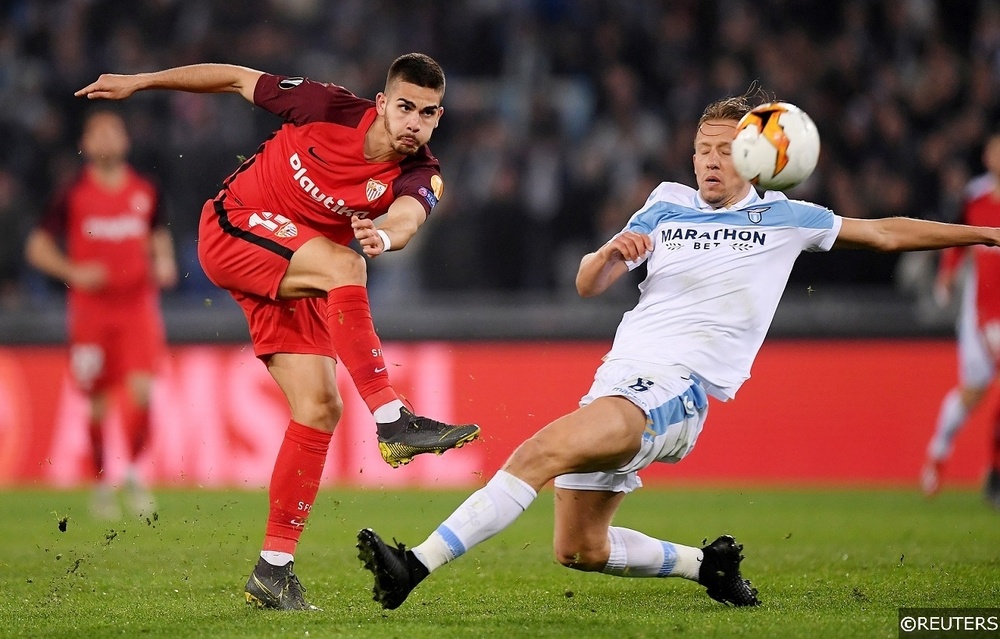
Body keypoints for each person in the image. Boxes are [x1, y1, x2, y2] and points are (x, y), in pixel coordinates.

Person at [356, 95, 1000, 611]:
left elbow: (885, 234)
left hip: (677, 390)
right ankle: (706, 565)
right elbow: (587, 284)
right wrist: (609, 254)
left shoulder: (784, 220)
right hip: (618, 380)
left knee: (538, 452)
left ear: (755, 157)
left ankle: (411, 567)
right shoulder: (664, 204)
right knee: (578, 548)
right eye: (702, 149)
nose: (710, 161)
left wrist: (983, 233)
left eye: (725, 150)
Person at [75, 53, 480, 611]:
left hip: (293, 265)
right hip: (235, 222)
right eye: (405, 107)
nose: (414, 122)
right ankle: (393, 421)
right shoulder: (327, 106)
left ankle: (274, 570)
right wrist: (142, 80)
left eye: (428, 113)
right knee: (345, 267)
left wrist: (382, 237)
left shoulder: (420, 173)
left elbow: (407, 218)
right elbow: (237, 77)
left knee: (319, 407)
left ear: (438, 118)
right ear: (383, 103)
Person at [25, 109, 177, 520]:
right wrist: (72, 271)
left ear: (125, 140)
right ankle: (101, 481)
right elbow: (37, 248)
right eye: (98, 133)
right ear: (86, 145)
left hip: (137, 307)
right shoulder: (71, 194)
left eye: (114, 130)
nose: (108, 139)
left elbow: (158, 234)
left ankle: (134, 473)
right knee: (96, 403)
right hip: (91, 312)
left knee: (142, 391)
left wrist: (164, 261)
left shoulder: (146, 189)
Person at [921, 131, 1000, 507]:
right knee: (973, 393)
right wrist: (947, 274)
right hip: (980, 315)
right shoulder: (976, 196)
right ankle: (939, 451)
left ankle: (994, 475)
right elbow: (957, 239)